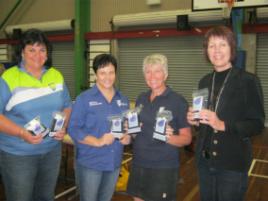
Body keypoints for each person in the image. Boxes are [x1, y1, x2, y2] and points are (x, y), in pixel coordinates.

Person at [187, 26, 265, 201]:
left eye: (222, 44)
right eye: (211, 46)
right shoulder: (204, 81)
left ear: (232, 48)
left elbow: (257, 124)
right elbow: (205, 124)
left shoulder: (248, 81)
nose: (217, 50)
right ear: (206, 51)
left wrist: (223, 125)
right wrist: (197, 121)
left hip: (232, 164)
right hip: (205, 163)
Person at [0, 29, 72, 201]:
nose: (37, 54)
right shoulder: (9, 78)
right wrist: (22, 133)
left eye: (42, 49)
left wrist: (62, 126)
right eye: (32, 49)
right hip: (18, 155)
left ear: (47, 53)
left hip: (51, 152)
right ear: (22, 52)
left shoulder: (55, 75)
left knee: (45, 197)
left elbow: (67, 106)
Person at [127, 54, 192, 201]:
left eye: (157, 71)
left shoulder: (178, 101)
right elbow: (137, 133)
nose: (152, 76)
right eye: (148, 72)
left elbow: (186, 138)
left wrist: (168, 137)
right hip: (139, 162)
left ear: (166, 74)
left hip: (163, 166)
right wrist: (131, 130)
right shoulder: (141, 98)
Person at [68, 53, 131, 201]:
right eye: (102, 73)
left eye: (111, 72)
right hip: (91, 163)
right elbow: (73, 128)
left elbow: (126, 128)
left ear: (115, 73)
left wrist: (128, 137)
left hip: (114, 163)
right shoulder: (84, 99)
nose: (107, 77)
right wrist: (98, 141)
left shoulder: (123, 100)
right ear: (95, 74)